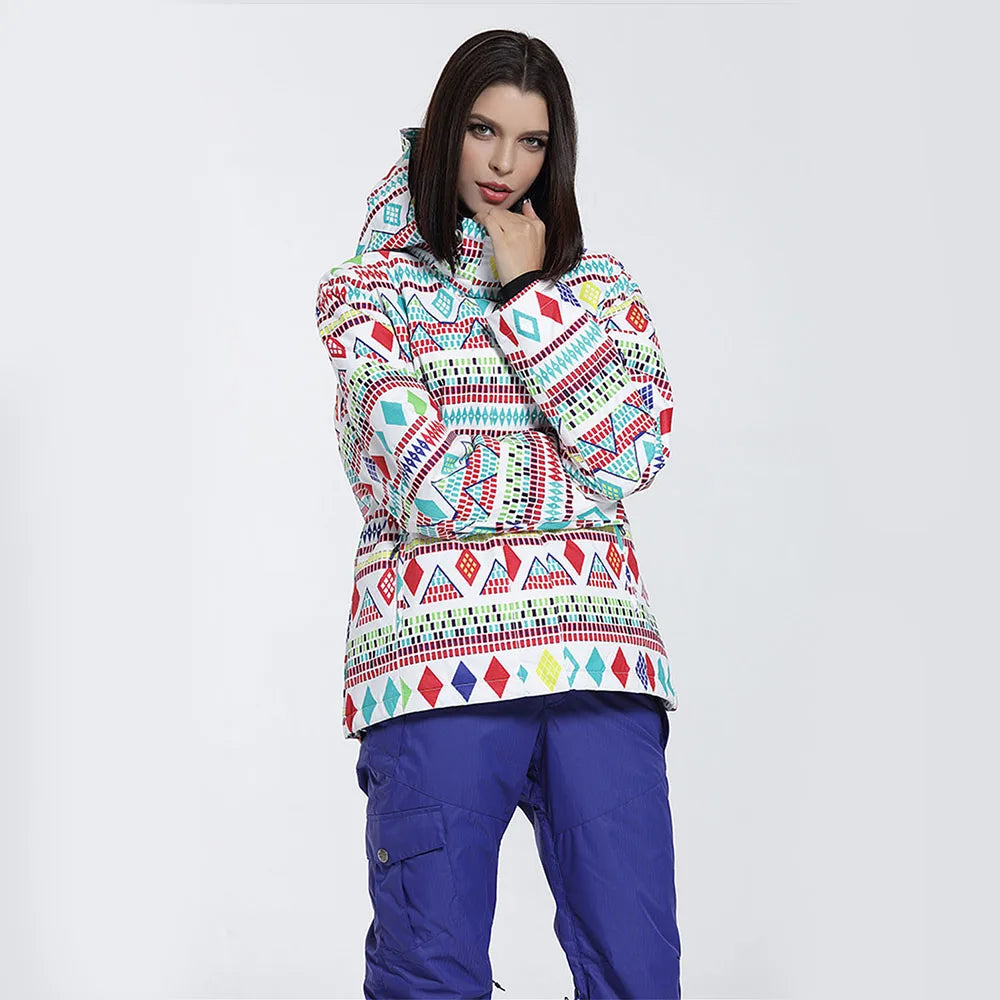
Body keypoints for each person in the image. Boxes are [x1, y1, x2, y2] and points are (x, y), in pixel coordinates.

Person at [314, 28, 681, 1000]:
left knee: (639, 974)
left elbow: (636, 452)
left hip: (600, 662)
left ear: (555, 153)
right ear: (445, 127)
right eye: (483, 130)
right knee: (429, 975)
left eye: (531, 140)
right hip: (435, 666)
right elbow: (424, 485)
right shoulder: (367, 294)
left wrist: (528, 295)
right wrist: (576, 489)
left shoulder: (598, 292)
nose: (503, 163)